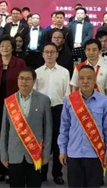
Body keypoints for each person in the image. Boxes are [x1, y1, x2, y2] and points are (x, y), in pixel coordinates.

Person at [58, 65, 107, 188]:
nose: (85, 81)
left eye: (89, 78)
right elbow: (64, 127)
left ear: (95, 80)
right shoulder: (69, 100)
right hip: (74, 153)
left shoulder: (104, 101)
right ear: (78, 80)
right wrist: (62, 150)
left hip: (95, 154)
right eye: (81, 78)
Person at [0, 68, 52, 188]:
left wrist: (46, 153)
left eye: (28, 79)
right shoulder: (9, 101)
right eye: (21, 78)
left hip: (35, 153)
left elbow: (48, 129)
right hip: (14, 154)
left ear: (34, 81)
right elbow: (4, 131)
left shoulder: (44, 100)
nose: (24, 82)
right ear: (17, 80)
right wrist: (3, 154)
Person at [0, 36, 26, 183]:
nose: (4, 48)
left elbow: (24, 83)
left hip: (14, 106)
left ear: (13, 47)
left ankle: (10, 170)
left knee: (11, 138)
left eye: (8, 45)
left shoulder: (20, 63)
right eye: (2, 45)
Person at [34, 43, 71, 185]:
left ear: (57, 54)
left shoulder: (64, 72)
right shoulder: (37, 72)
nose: (49, 55)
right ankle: (42, 172)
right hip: (41, 110)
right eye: (46, 52)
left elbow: (67, 94)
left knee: (57, 143)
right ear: (43, 54)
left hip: (58, 109)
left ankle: (57, 173)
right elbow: (34, 94)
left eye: (52, 52)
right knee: (42, 142)